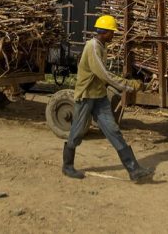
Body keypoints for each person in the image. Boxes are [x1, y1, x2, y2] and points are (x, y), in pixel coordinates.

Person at [62, 14, 153, 181]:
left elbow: (104, 77)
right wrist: (129, 85)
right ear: (105, 32)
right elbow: (105, 75)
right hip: (86, 97)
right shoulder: (93, 47)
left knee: (114, 131)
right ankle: (67, 166)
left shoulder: (102, 46)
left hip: (100, 97)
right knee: (77, 131)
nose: (114, 35)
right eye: (112, 32)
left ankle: (133, 169)